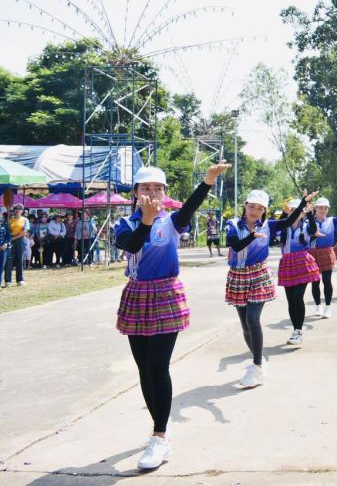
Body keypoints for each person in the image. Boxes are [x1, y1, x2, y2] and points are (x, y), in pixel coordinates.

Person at [113, 161, 230, 470]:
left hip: (166, 294)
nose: (152, 193)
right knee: (143, 369)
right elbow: (133, 244)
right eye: (145, 188)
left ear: (165, 194)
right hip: (138, 295)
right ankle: (158, 428)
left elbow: (191, 206)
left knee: (157, 366)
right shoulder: (124, 224)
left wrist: (207, 181)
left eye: (158, 188)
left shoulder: (173, 222)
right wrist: (146, 222)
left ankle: (159, 437)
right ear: (135, 193)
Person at [225, 189, 314, 388]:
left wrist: (301, 203)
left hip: (259, 274)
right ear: (245, 206)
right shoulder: (232, 224)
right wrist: (251, 236)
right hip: (238, 275)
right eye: (251, 206)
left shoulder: (269, 225)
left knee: (252, 318)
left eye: (260, 208)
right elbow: (235, 245)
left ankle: (256, 366)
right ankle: (259, 360)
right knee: (245, 325)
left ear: (265, 210)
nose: (255, 211)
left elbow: (289, 220)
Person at [276, 198, 321, 347]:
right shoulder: (283, 227)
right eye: (291, 210)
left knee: (298, 297)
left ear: (302, 213)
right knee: (291, 300)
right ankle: (295, 330)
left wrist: (309, 214)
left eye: (298, 211)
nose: (295, 213)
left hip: (302, 263)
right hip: (287, 263)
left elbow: (314, 230)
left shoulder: (307, 226)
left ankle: (298, 331)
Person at [4, 205, 29, 286]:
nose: (17, 210)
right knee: (9, 260)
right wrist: (10, 238)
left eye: (19, 209)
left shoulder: (25, 220)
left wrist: (13, 237)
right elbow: (6, 232)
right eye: (15, 209)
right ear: (13, 210)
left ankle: (20, 280)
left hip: (20, 241)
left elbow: (24, 232)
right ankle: (8, 281)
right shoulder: (9, 219)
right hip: (10, 241)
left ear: (22, 210)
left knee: (19, 259)